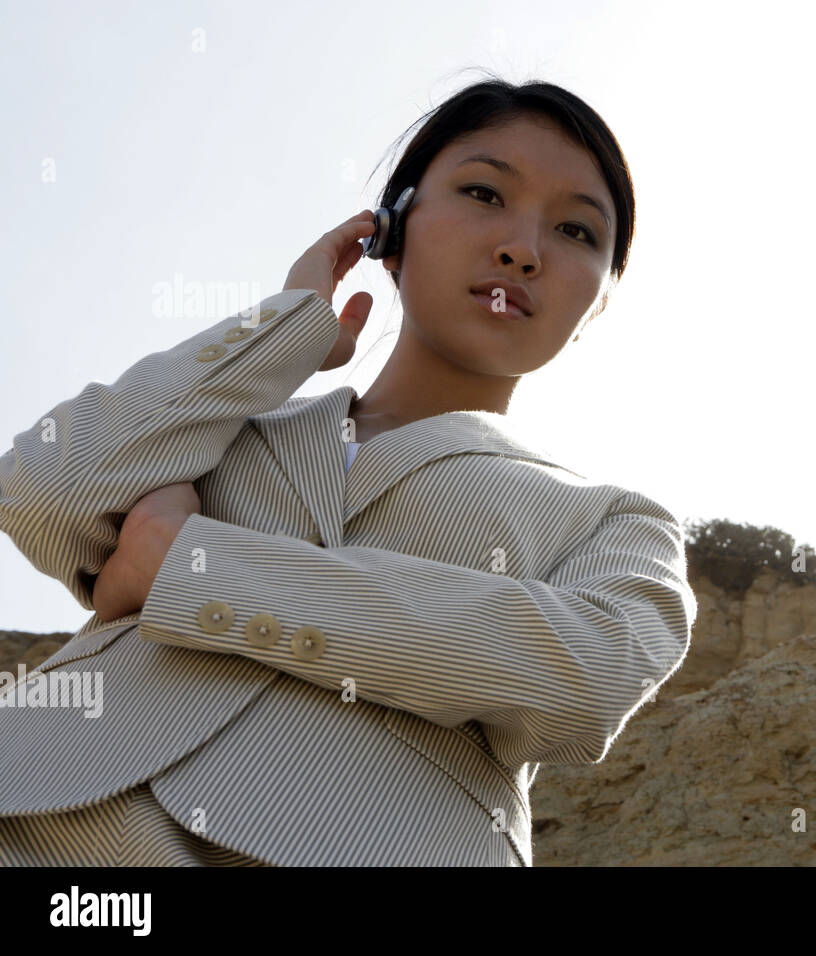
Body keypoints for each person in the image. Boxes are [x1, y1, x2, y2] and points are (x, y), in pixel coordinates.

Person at [0, 77, 696, 866]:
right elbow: (41, 487)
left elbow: (584, 678)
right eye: (482, 192)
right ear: (387, 230)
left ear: (598, 303)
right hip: (32, 819)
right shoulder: (222, 424)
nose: (523, 249)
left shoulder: (617, 519)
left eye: (576, 231)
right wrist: (285, 331)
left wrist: (193, 566)